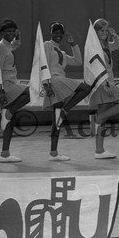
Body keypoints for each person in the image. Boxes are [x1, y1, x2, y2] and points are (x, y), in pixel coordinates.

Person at [44, 21, 91, 161]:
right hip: (54, 81)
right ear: (51, 33)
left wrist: (73, 44)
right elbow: (43, 64)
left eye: (60, 33)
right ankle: (66, 109)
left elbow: (78, 61)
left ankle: (53, 153)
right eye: (55, 32)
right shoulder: (47, 45)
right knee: (85, 87)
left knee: (56, 119)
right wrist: (46, 85)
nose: (58, 35)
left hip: (60, 82)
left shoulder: (62, 53)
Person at [90, 18, 119, 159]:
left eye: (106, 30)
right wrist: (104, 84)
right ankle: (98, 119)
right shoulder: (94, 46)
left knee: (103, 118)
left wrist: (114, 35)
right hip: (103, 83)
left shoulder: (105, 44)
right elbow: (94, 66)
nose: (104, 33)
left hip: (109, 82)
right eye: (102, 30)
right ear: (95, 32)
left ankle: (99, 150)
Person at [0, 18, 30, 163]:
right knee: (31, 92)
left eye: (12, 30)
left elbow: (16, 44)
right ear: (2, 32)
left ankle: (5, 153)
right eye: (8, 31)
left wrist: (18, 35)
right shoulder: (0, 47)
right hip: (6, 84)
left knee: (9, 121)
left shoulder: (8, 45)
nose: (11, 33)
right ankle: (9, 113)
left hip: (12, 82)